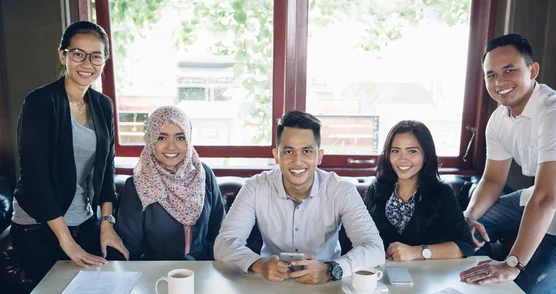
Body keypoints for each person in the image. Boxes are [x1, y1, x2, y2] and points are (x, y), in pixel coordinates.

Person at [459, 34, 556, 294]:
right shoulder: (499, 119)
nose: (499, 82)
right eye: (491, 75)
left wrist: (512, 264)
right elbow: (492, 179)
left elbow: (547, 198)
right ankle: (474, 287)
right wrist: (469, 216)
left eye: (509, 70)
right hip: (540, 197)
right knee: (469, 224)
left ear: (532, 70)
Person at [11, 21, 129, 283]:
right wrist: (66, 241)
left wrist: (106, 224)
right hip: (39, 224)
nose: (87, 63)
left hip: (83, 219)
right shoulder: (40, 102)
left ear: (105, 60)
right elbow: (35, 176)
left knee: (108, 284)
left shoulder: (102, 105)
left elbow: (107, 167)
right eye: (78, 53)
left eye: (96, 56)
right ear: (63, 55)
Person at [214, 111, 385, 284]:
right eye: (288, 151)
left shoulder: (341, 190)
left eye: (307, 151)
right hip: (270, 283)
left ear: (319, 156)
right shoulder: (255, 187)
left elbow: (374, 248)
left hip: (327, 284)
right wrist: (259, 264)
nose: (297, 161)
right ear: (276, 155)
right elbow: (224, 244)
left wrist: (330, 270)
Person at [116, 106, 226, 260]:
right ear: (151, 139)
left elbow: (221, 231)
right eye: (162, 137)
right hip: (157, 275)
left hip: (203, 271)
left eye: (180, 137)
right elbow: (129, 249)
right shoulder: (137, 184)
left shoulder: (203, 174)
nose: (171, 146)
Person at [364, 120, 474, 261]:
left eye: (412, 151)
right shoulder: (376, 189)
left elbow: (465, 245)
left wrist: (416, 252)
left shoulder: (441, 193)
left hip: (427, 278)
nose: (402, 159)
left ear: (426, 155)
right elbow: (359, 239)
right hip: (382, 275)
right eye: (395, 151)